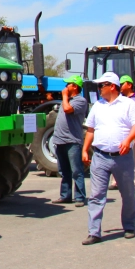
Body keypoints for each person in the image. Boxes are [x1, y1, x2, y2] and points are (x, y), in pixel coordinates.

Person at [80, 72, 135, 245]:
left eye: (102, 85)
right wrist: (85, 150)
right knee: (96, 195)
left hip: (122, 158)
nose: (99, 89)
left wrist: (128, 140)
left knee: (128, 193)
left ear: (112, 86)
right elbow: (91, 129)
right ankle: (94, 232)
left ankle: (129, 226)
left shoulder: (128, 104)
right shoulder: (97, 106)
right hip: (100, 156)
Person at [50, 74, 88, 207]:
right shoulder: (67, 99)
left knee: (76, 171)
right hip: (60, 141)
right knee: (63, 170)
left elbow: (68, 109)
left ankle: (80, 197)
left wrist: (65, 97)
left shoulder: (80, 101)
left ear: (75, 87)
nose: (66, 87)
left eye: (68, 84)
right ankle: (65, 195)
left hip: (72, 141)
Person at [117, 75, 135, 185]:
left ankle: (133, 181)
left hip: (133, 132)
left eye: (122, 84)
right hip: (121, 132)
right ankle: (115, 181)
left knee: (133, 158)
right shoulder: (119, 99)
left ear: (129, 85)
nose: (120, 86)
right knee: (117, 156)